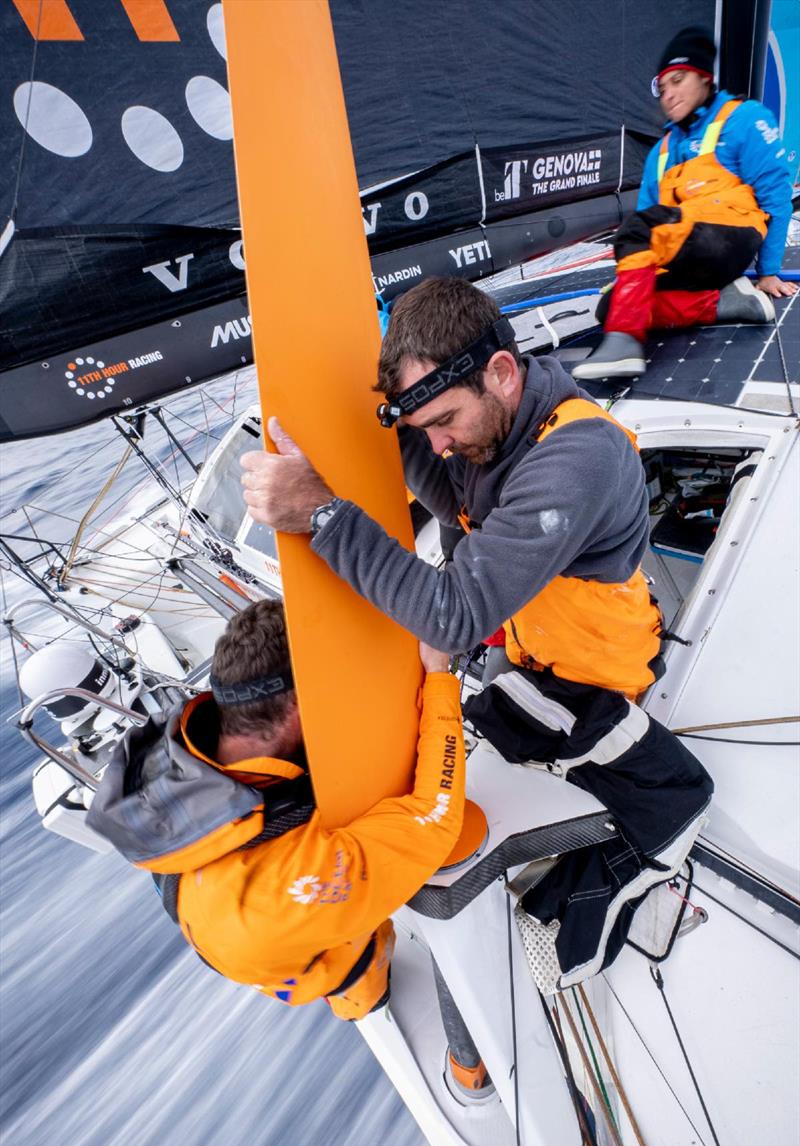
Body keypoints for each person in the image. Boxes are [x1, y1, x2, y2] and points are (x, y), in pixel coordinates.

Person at [240, 277, 713, 986]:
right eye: (423, 426)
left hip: (600, 683)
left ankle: (571, 931)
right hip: (534, 659)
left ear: (500, 371)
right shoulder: (490, 431)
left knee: (685, 800)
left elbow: (455, 615)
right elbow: (441, 481)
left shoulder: (577, 458)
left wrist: (324, 517)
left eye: (445, 421)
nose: (438, 443)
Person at [86, 599, 465, 1022]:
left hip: (211, 906)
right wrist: (438, 677)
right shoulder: (295, 888)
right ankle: (368, 997)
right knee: (362, 968)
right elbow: (435, 816)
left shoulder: (186, 741)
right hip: (278, 942)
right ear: (300, 707)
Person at [572, 25, 797, 381]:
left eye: (678, 80)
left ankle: (625, 345)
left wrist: (768, 272)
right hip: (690, 253)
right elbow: (647, 226)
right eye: (662, 88)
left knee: (638, 234)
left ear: (705, 78)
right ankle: (726, 302)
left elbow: (777, 195)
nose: (668, 95)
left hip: (731, 237)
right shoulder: (661, 151)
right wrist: (635, 279)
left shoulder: (742, 120)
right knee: (612, 306)